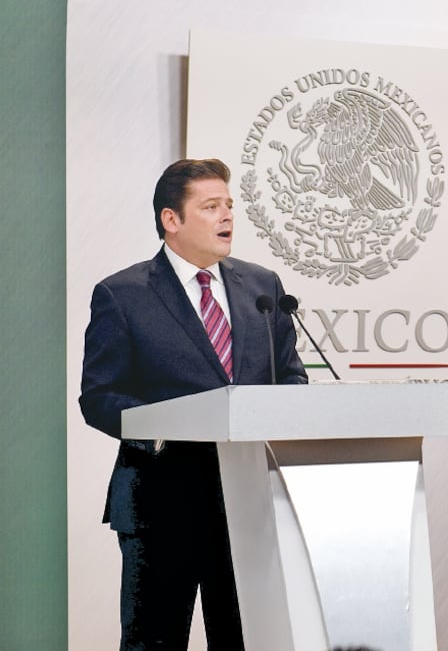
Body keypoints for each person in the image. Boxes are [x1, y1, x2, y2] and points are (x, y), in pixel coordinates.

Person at [79, 158, 308, 650]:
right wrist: (162, 428)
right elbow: (99, 395)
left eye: (229, 205)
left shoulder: (263, 287)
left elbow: (291, 377)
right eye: (210, 207)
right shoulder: (123, 295)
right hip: (162, 502)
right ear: (171, 219)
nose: (227, 216)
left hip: (249, 503)